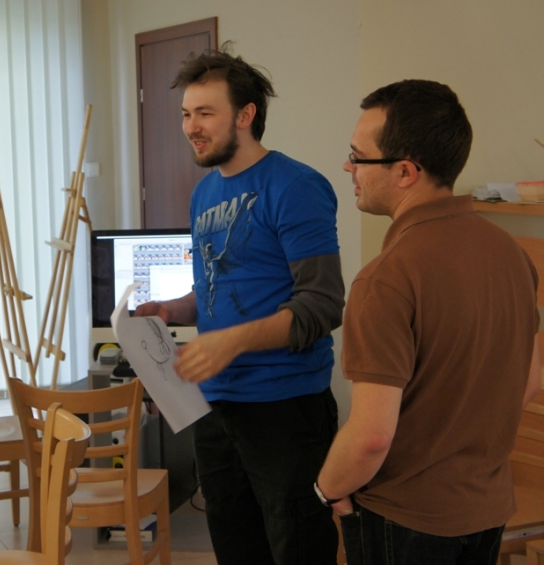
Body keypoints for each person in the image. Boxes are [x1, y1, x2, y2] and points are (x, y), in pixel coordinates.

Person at [315, 80, 541, 564]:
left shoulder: (386, 278)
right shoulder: (512, 255)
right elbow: (530, 378)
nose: (348, 167)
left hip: (405, 519)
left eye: (358, 157)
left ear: (405, 171)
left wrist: (326, 488)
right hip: (487, 508)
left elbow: (370, 437)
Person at [136, 46, 345, 564]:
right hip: (215, 407)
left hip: (285, 408)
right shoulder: (204, 193)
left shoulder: (296, 186)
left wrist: (233, 341)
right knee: (236, 548)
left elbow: (322, 304)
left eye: (205, 113)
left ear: (246, 115)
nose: (191, 127)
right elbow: (216, 291)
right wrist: (172, 310)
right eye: (186, 114)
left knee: (298, 549)